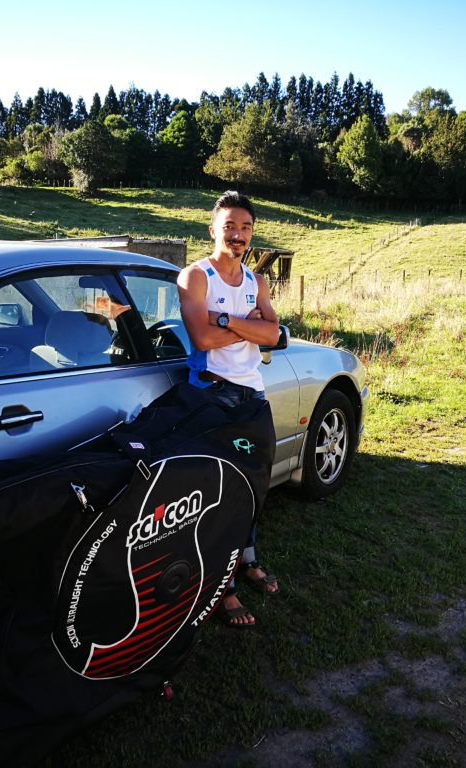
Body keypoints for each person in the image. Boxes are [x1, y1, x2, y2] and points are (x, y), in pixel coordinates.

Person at [177, 190, 281, 628]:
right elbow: (202, 340)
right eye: (230, 227)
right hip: (211, 396)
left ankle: (248, 561)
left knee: (256, 485)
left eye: (245, 228)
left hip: (252, 396)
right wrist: (250, 328)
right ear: (212, 230)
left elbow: (274, 335)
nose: (238, 235)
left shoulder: (257, 281)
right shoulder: (196, 276)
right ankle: (224, 591)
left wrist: (227, 322)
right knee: (221, 496)